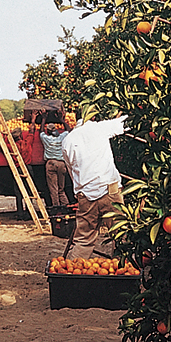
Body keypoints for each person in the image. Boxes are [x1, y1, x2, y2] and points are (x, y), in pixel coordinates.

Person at [61, 106, 128, 260]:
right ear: (92, 116)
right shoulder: (100, 128)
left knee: (83, 240)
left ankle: (72, 276)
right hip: (109, 191)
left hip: (85, 196)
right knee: (121, 236)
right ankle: (124, 274)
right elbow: (123, 122)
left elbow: (72, 172)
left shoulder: (67, 141)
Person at [37, 113, 71, 207]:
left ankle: (56, 207)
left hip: (51, 164)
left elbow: (41, 132)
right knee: (61, 188)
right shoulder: (62, 137)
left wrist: (43, 119)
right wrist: (62, 119)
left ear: (48, 131)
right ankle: (65, 205)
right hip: (61, 164)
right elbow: (68, 130)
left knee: (53, 189)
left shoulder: (46, 138)